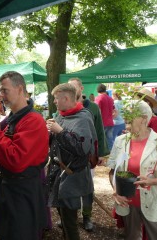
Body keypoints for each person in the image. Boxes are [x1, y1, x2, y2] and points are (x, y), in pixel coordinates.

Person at [107, 100, 157, 240]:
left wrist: (151, 181)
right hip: (128, 204)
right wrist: (116, 192)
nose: (125, 118)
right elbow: (113, 172)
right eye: (125, 115)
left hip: (155, 205)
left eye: (131, 115)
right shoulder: (120, 141)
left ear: (143, 119)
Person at [0, 71, 48, 240]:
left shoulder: (33, 120)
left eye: (5, 90)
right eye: (0, 91)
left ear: (20, 89)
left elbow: (15, 159)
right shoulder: (15, 119)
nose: (0, 95)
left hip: (22, 194)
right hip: (11, 190)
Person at [46, 83, 97, 240]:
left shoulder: (83, 118)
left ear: (66, 98)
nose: (54, 101)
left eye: (56, 98)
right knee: (63, 216)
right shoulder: (61, 115)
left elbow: (82, 149)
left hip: (72, 177)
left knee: (69, 221)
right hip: (59, 174)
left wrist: (60, 131)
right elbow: (56, 143)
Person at [68, 77, 108, 232]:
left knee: (87, 188)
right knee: (69, 187)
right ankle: (70, 216)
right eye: (69, 88)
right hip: (69, 158)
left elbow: (99, 131)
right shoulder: (64, 106)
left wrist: (101, 154)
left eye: (74, 88)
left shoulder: (92, 107)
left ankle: (87, 216)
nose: (72, 91)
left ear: (81, 89)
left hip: (88, 157)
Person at [95, 83, 115, 151]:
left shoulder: (98, 98)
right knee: (109, 141)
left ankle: (102, 159)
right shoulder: (110, 99)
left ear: (97, 90)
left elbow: (97, 111)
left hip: (102, 123)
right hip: (110, 122)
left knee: (100, 142)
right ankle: (111, 157)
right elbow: (113, 111)